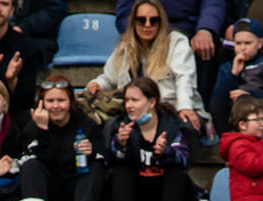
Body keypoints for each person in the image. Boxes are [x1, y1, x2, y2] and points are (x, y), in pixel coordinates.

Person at [89, 0, 209, 131]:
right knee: (110, 127)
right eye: (141, 20)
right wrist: (98, 84)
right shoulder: (125, 47)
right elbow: (109, 77)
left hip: (171, 109)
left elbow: (184, 80)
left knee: (184, 126)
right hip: (137, 112)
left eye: (153, 21)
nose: (147, 25)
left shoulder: (177, 43)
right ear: (133, 22)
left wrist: (184, 107)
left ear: (161, 23)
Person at [104, 77, 194, 201]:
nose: (129, 105)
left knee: (176, 173)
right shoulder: (118, 126)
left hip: (163, 192)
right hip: (134, 191)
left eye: (135, 100)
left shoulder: (172, 125)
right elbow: (108, 162)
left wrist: (166, 152)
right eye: (127, 100)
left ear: (151, 102)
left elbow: (184, 159)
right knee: (120, 171)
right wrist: (120, 144)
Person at [16, 78, 103, 201]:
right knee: (30, 165)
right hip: (46, 192)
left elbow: (104, 156)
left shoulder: (86, 124)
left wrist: (91, 151)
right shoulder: (32, 128)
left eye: (61, 100)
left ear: (70, 102)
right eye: (50, 101)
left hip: (77, 190)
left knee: (96, 166)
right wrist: (42, 130)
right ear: (41, 103)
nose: (56, 106)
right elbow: (41, 160)